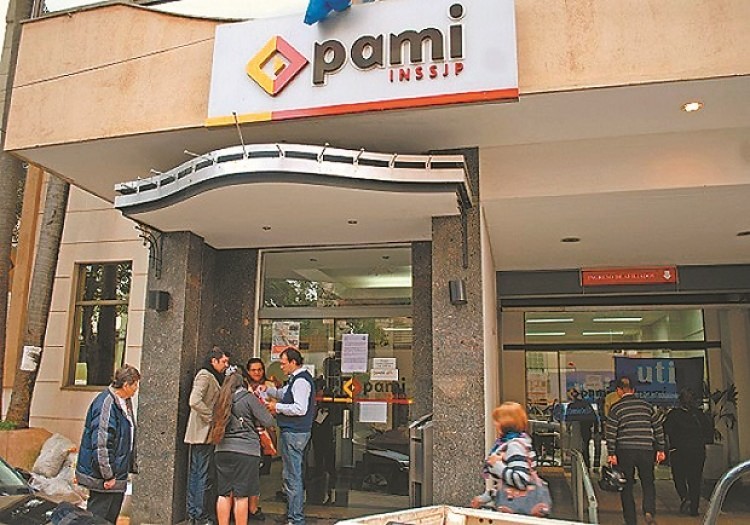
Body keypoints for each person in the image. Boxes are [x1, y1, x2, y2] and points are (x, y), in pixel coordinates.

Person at [76, 365, 141, 524]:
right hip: (105, 479)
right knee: (98, 518)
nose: (136, 389)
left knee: (110, 518)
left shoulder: (124, 402)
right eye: (135, 385)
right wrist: (108, 475)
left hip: (117, 475)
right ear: (126, 385)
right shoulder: (106, 404)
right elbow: (101, 444)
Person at [210, 369, 276, 525]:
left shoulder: (220, 399)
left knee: (224, 494)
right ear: (244, 383)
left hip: (222, 450)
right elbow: (268, 421)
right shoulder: (248, 398)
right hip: (246, 451)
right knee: (241, 495)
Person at [260, 348, 315, 525]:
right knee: (291, 475)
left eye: (283, 363)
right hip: (294, 432)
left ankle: (296, 518)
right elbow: (284, 393)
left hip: (294, 432)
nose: (281, 367)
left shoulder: (301, 381)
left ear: (293, 362)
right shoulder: (296, 380)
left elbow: (300, 408)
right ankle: (292, 514)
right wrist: (269, 390)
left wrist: (276, 407)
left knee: (292, 477)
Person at [471, 402, 551, 517]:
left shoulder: (514, 446)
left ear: (505, 423)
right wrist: (485, 497)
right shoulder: (521, 443)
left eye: (497, 421)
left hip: (517, 514)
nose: (495, 424)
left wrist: (497, 465)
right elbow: (508, 485)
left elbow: (521, 480)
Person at [606, 376, 666, 525]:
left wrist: (611, 453)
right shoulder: (647, 406)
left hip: (625, 450)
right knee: (648, 482)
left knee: (626, 485)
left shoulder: (616, 408)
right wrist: (660, 449)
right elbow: (658, 428)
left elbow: (611, 432)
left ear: (619, 391)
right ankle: (648, 511)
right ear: (633, 390)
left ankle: (630, 520)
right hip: (646, 449)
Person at [185, 347, 230, 525]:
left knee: (198, 473)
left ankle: (194, 513)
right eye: (223, 361)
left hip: (203, 433)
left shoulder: (210, 376)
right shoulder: (205, 376)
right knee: (200, 474)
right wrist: (211, 418)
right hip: (202, 433)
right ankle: (198, 513)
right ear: (214, 361)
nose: (226, 365)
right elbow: (194, 400)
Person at [663, 388, 709, 516]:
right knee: (695, 479)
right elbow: (708, 431)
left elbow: (666, 429)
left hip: (679, 451)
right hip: (697, 451)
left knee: (679, 477)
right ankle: (694, 508)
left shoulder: (673, 415)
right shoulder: (699, 415)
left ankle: (684, 496)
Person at [246, 357, 280, 519]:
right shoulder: (243, 386)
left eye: (259, 369)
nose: (257, 373)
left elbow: (275, 408)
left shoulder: (269, 386)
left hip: (265, 432)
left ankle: (253, 505)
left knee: (260, 472)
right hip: (248, 433)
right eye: (253, 370)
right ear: (248, 371)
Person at [565, 389, 599, 468]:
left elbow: (568, 420)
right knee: (585, 448)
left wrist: (567, 429)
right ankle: (586, 465)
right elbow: (594, 418)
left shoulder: (571, 406)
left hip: (576, 430)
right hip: (586, 429)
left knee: (576, 449)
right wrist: (596, 430)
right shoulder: (587, 405)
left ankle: (578, 465)